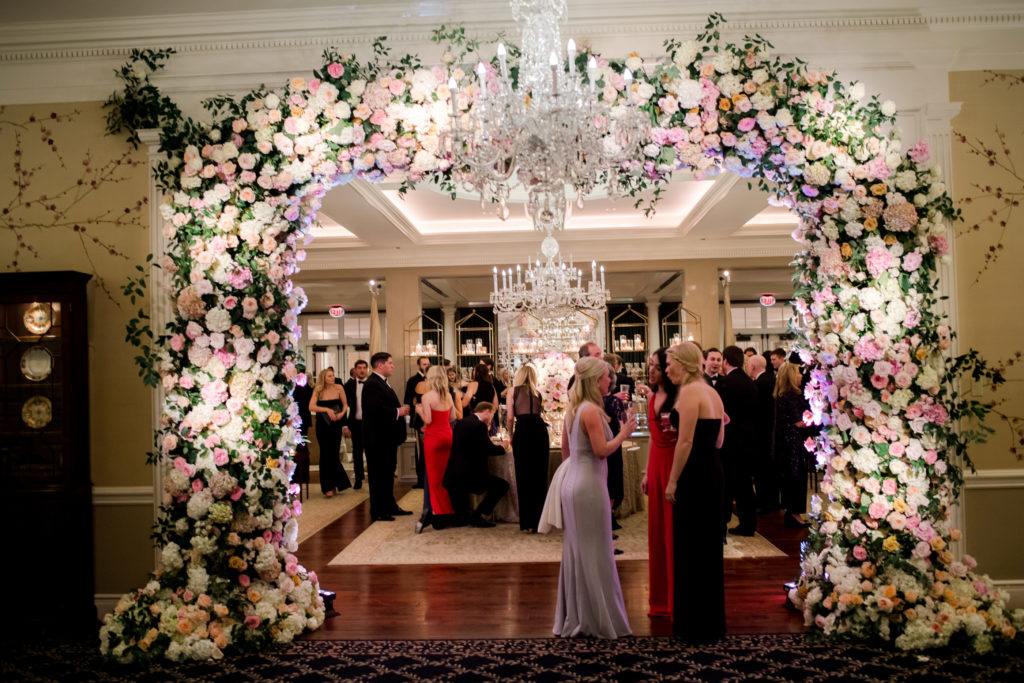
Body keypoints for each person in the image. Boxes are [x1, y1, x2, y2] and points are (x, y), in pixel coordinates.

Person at [553, 356, 635, 639]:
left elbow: (566, 450)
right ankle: (594, 618)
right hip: (588, 488)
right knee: (595, 551)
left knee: (579, 551)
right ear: (594, 381)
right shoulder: (590, 411)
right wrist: (624, 432)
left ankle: (578, 613)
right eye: (605, 377)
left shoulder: (574, 408)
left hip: (575, 483)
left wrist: (573, 473)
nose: (610, 381)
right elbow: (602, 450)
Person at [663, 342, 726, 642]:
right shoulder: (712, 392)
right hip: (713, 471)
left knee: (690, 548)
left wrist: (672, 481)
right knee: (709, 547)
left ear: (684, 364)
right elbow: (718, 440)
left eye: (669, 363)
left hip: (694, 475)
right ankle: (711, 623)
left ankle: (693, 627)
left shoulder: (689, 393)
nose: (665, 369)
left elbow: (684, 442)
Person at [637, 347, 678, 618]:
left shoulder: (680, 398)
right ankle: (660, 600)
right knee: (657, 535)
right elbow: (652, 436)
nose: (650, 370)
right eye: (650, 365)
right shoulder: (652, 397)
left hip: (676, 463)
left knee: (674, 533)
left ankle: (678, 600)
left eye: (656, 366)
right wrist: (646, 472)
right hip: (656, 463)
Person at [361, 352, 413, 521]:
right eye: (390, 363)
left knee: (387, 474)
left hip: (386, 439)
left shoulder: (382, 383)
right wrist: (399, 411)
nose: (392, 366)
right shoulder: (372, 384)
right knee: (378, 476)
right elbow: (375, 410)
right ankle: (378, 511)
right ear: (380, 365)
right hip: (377, 439)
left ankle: (390, 505)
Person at [444, 402, 511, 528]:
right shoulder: (479, 426)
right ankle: (478, 515)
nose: (492, 417)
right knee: (502, 486)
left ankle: (431, 518)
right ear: (487, 411)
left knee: (461, 520)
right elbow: (490, 450)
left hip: (454, 475)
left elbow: (473, 444)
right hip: (469, 477)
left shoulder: (463, 422)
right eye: (492, 414)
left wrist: (487, 439)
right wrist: (503, 446)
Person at [716, 345, 759, 537]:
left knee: (727, 485)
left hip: (730, 440)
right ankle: (749, 523)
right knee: (745, 486)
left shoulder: (725, 383)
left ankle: (723, 523)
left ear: (725, 361)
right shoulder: (750, 382)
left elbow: (719, 413)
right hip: (749, 440)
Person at [414, 366, 459, 533]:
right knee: (446, 477)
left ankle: (439, 514)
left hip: (433, 438)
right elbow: (453, 417)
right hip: (448, 436)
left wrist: (419, 411)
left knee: (434, 480)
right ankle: (449, 512)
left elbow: (429, 419)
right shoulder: (447, 395)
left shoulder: (427, 397)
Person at [506, 365, 549, 533]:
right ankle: (539, 521)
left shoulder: (513, 391)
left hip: (523, 431)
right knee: (539, 476)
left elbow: (510, 417)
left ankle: (527, 523)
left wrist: (510, 434)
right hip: (539, 431)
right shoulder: (537, 393)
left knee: (523, 476)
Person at [773, 362, 812, 529]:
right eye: (798, 373)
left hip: (786, 443)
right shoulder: (793, 396)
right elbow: (800, 422)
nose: (801, 376)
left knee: (790, 479)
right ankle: (794, 513)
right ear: (790, 376)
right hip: (794, 443)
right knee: (796, 478)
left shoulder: (782, 395)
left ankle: (792, 512)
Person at [308, 367, 351, 498]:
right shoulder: (318, 389)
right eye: (329, 376)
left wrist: (342, 414)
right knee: (325, 455)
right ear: (323, 378)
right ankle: (328, 487)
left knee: (334, 454)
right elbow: (311, 406)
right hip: (322, 426)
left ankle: (336, 484)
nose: (332, 378)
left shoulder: (339, 388)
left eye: (333, 375)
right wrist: (326, 409)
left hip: (335, 425)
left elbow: (345, 405)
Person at [747, 354, 779, 513]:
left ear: (752, 366)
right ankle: (772, 501)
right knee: (770, 470)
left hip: (762, 432)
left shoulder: (760, 383)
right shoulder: (771, 379)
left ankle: (764, 503)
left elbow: (756, 409)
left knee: (762, 470)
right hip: (771, 430)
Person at [342, 359, 369, 489]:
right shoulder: (348, 386)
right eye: (359, 368)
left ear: (367, 369)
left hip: (369, 423)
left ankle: (372, 478)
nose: (362, 370)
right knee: (357, 452)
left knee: (370, 452)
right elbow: (344, 407)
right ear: (355, 370)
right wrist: (345, 425)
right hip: (355, 423)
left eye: (364, 368)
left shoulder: (372, 384)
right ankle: (358, 479)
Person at [405, 356, 430, 488]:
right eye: (424, 364)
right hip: (420, 420)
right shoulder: (413, 380)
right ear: (418, 365)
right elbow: (408, 400)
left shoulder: (432, 381)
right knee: (420, 451)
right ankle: (421, 480)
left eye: (428, 364)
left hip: (432, 419)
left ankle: (428, 479)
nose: (426, 366)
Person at [462, 363, 498, 433]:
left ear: (477, 372)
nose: (473, 372)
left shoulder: (473, 384)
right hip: (489, 420)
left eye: (474, 370)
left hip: (476, 420)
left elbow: (464, 404)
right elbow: (496, 406)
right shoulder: (491, 386)